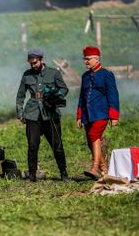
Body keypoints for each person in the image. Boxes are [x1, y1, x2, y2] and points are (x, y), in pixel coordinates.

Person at [16, 48, 69, 182]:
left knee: (57, 146)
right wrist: (20, 113)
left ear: (41, 60)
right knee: (33, 146)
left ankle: (64, 174)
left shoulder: (53, 73)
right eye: (31, 63)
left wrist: (56, 96)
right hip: (33, 113)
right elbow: (20, 95)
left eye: (35, 63)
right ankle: (32, 176)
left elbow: (64, 88)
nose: (33, 65)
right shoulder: (27, 75)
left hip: (50, 113)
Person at [76, 46, 120, 180]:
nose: (86, 62)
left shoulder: (107, 74)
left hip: (102, 113)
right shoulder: (85, 76)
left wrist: (114, 116)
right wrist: (79, 116)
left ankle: (95, 168)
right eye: (85, 59)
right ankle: (104, 170)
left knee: (94, 135)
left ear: (97, 59)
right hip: (87, 114)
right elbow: (81, 97)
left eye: (89, 59)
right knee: (91, 141)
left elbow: (113, 95)